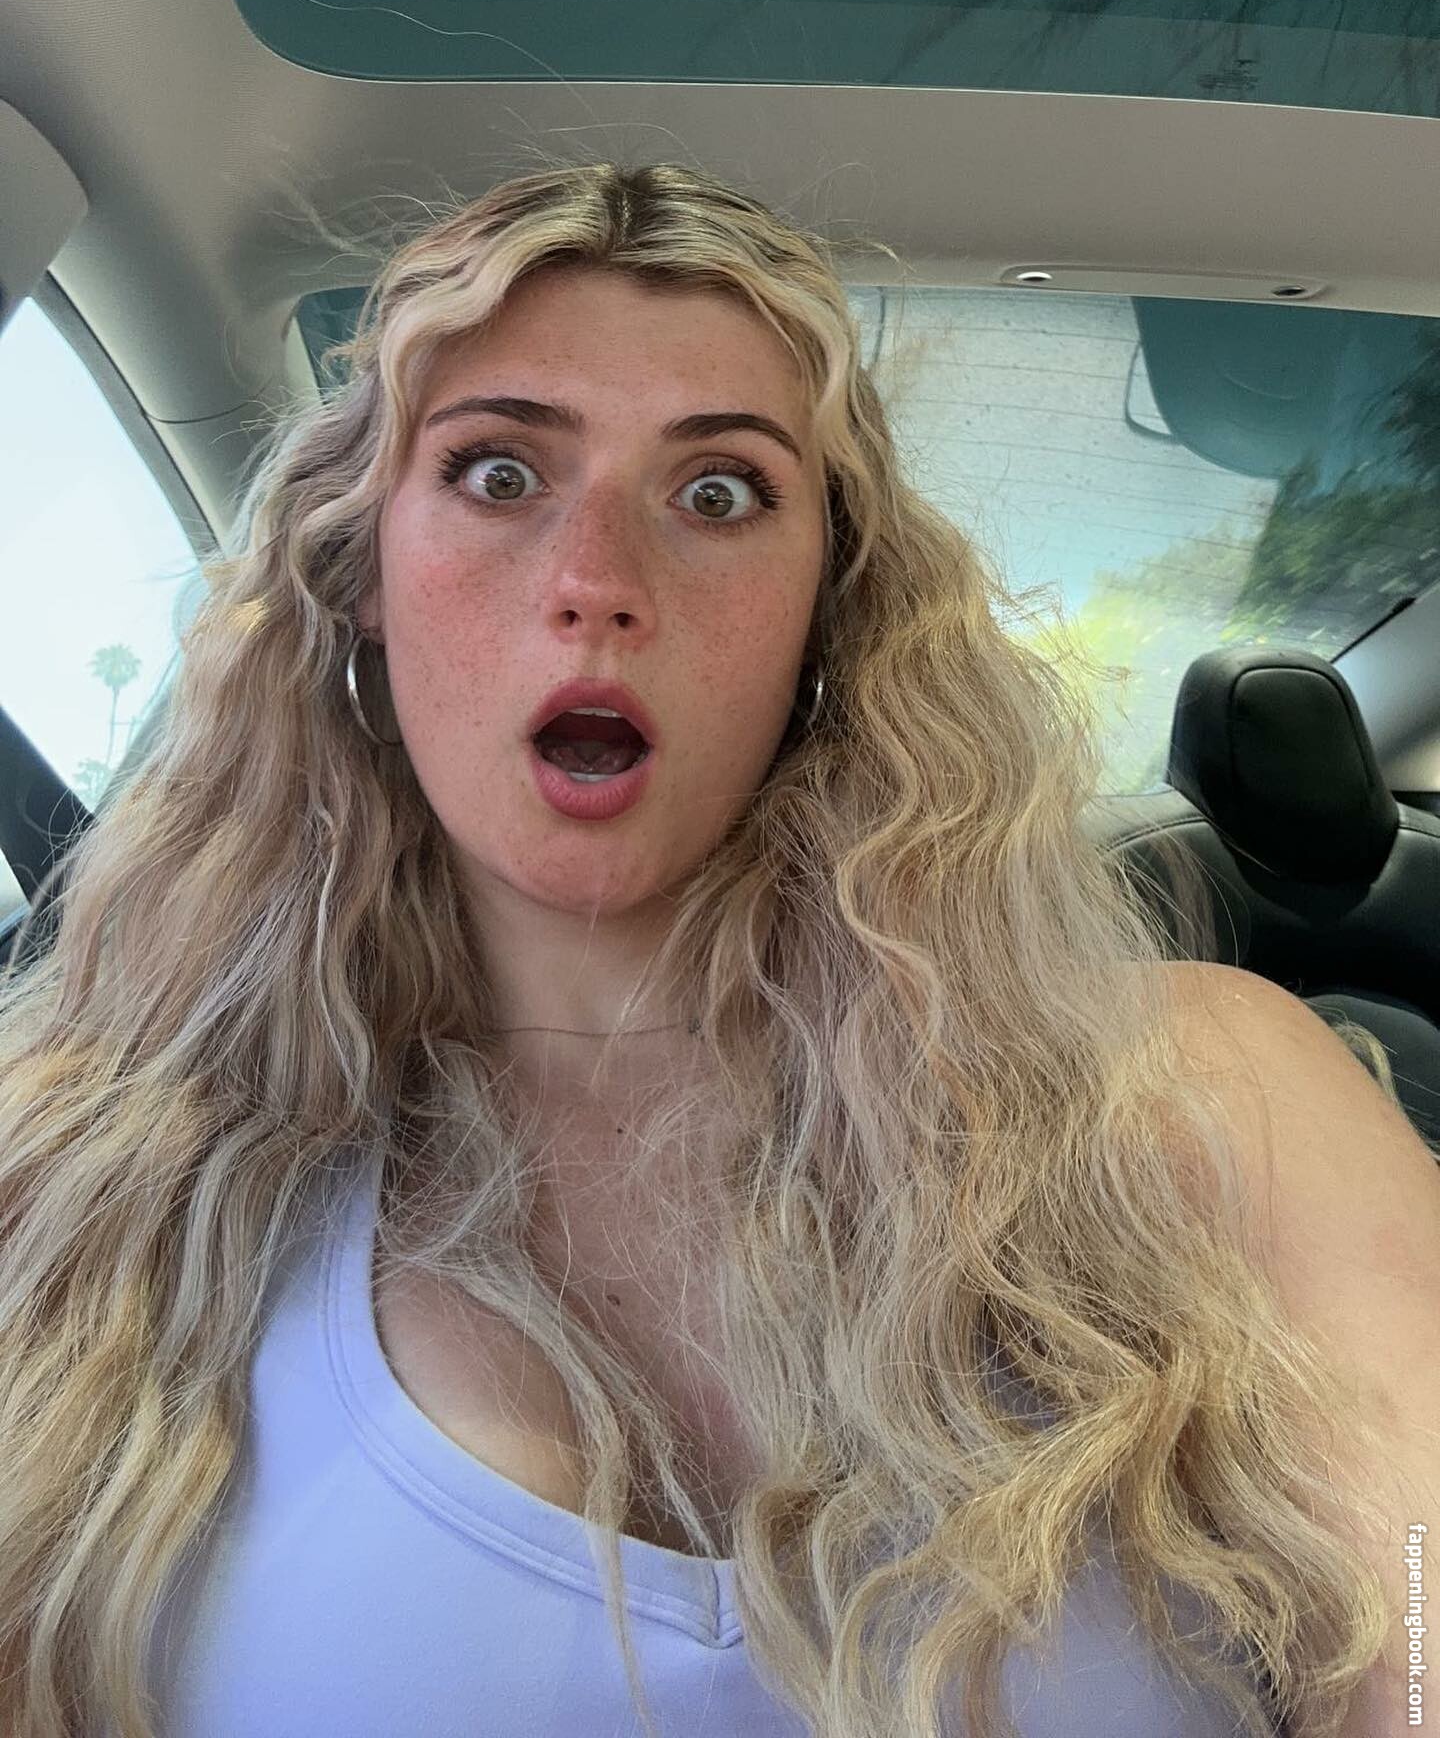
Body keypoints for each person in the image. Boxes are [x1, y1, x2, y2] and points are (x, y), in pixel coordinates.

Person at [0, 162, 1424, 1738]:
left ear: (829, 612)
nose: (597, 584)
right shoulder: (87, 1185)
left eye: (721, 493)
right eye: (496, 472)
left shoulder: (1214, 1089)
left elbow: (1419, 1622)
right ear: (361, 578)